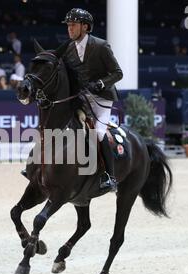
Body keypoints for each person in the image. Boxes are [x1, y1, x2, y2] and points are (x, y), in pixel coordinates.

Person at [62, 8, 123, 192]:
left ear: (85, 27)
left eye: (73, 25)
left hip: (102, 97)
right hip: (81, 98)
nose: (70, 29)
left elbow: (118, 73)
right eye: (68, 26)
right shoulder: (68, 50)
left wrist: (101, 83)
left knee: (97, 132)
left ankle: (109, 177)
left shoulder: (101, 46)